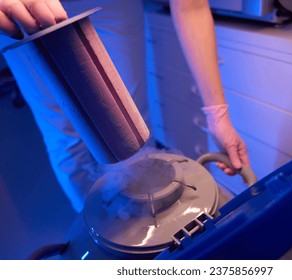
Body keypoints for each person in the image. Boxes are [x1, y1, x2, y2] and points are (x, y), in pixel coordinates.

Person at [0, 0, 250, 212]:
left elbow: (191, 6)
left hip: (108, 5)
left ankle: (150, 218)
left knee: (130, 125)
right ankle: (104, 233)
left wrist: (218, 115)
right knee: (66, 138)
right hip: (23, 12)